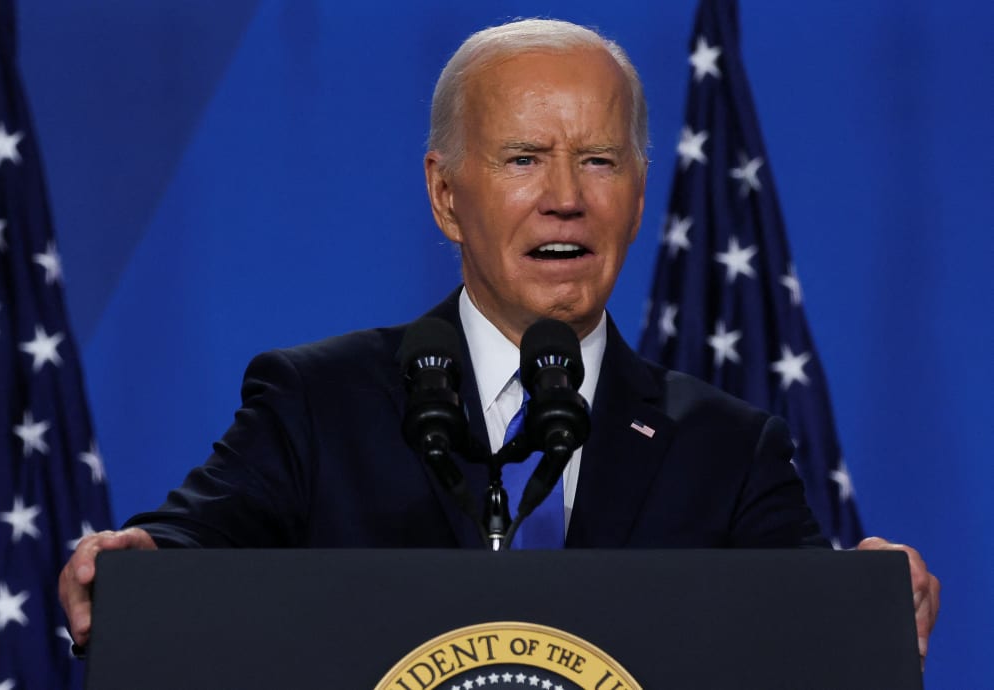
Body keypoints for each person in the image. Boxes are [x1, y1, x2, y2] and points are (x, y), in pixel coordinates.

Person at [59, 18, 939, 665]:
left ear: (637, 196)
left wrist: (871, 600)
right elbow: (180, 559)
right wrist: (131, 568)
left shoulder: (728, 449)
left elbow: (811, 641)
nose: (566, 196)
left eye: (598, 160)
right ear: (446, 197)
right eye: (523, 158)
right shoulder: (319, 404)